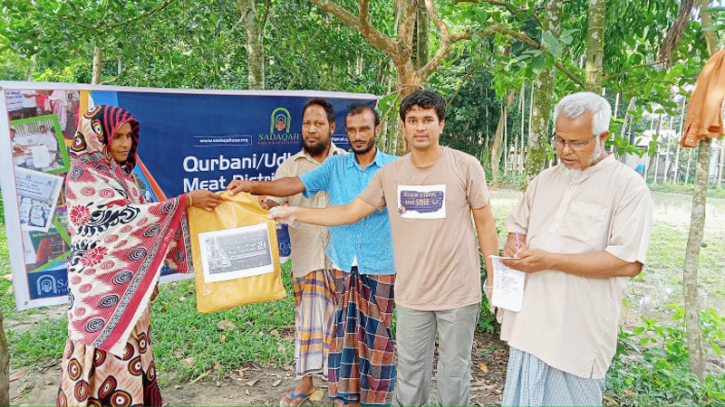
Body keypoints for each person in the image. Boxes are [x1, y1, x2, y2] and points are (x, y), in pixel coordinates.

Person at [266, 90, 499, 407]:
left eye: (428, 120)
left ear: (441, 125)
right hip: (411, 293)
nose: (420, 127)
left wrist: (494, 275)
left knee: (453, 373)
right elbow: (349, 212)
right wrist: (295, 212)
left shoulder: (465, 166)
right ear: (403, 127)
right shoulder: (392, 174)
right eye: (412, 120)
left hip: (458, 291)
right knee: (410, 372)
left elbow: (485, 223)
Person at [228, 103, 398, 406]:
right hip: (329, 262)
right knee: (334, 335)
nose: (358, 135)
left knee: (374, 336)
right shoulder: (331, 167)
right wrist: (254, 187)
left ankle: (373, 397)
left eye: (364, 129)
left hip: (371, 264)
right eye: (354, 130)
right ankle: (339, 395)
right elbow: (291, 184)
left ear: (377, 130)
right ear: (346, 132)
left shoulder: (387, 168)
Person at [57, 105, 222, 407]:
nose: (124, 144)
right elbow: (121, 221)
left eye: (129, 136)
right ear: (96, 137)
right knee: (104, 356)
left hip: (130, 290)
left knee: (133, 351)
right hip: (98, 294)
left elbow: (144, 223)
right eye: (116, 136)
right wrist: (184, 201)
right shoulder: (84, 176)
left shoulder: (124, 177)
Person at [499, 92, 653, 406]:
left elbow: (627, 262)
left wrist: (550, 260)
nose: (566, 151)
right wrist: (516, 247)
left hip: (577, 331)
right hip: (530, 323)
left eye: (578, 143)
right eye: (559, 140)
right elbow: (517, 228)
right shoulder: (545, 180)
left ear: (603, 137)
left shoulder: (627, 187)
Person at [256, 98, 347, 406]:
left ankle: (340, 386)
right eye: (307, 123)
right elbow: (272, 201)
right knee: (308, 324)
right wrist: (265, 203)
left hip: (342, 260)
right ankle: (306, 383)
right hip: (307, 258)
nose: (311, 129)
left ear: (331, 127)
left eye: (318, 123)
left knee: (342, 325)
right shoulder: (290, 167)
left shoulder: (346, 162)